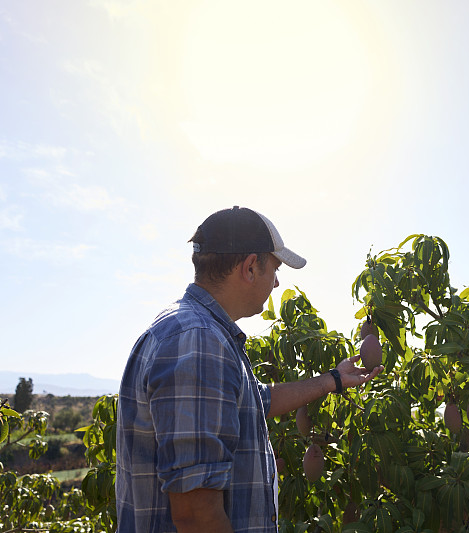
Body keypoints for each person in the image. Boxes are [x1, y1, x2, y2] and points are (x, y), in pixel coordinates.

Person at [116, 206, 383, 533]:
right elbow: (195, 514)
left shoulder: (196, 331)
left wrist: (334, 380)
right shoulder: (198, 342)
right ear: (250, 268)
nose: (277, 282)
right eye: (275, 268)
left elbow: (257, 401)